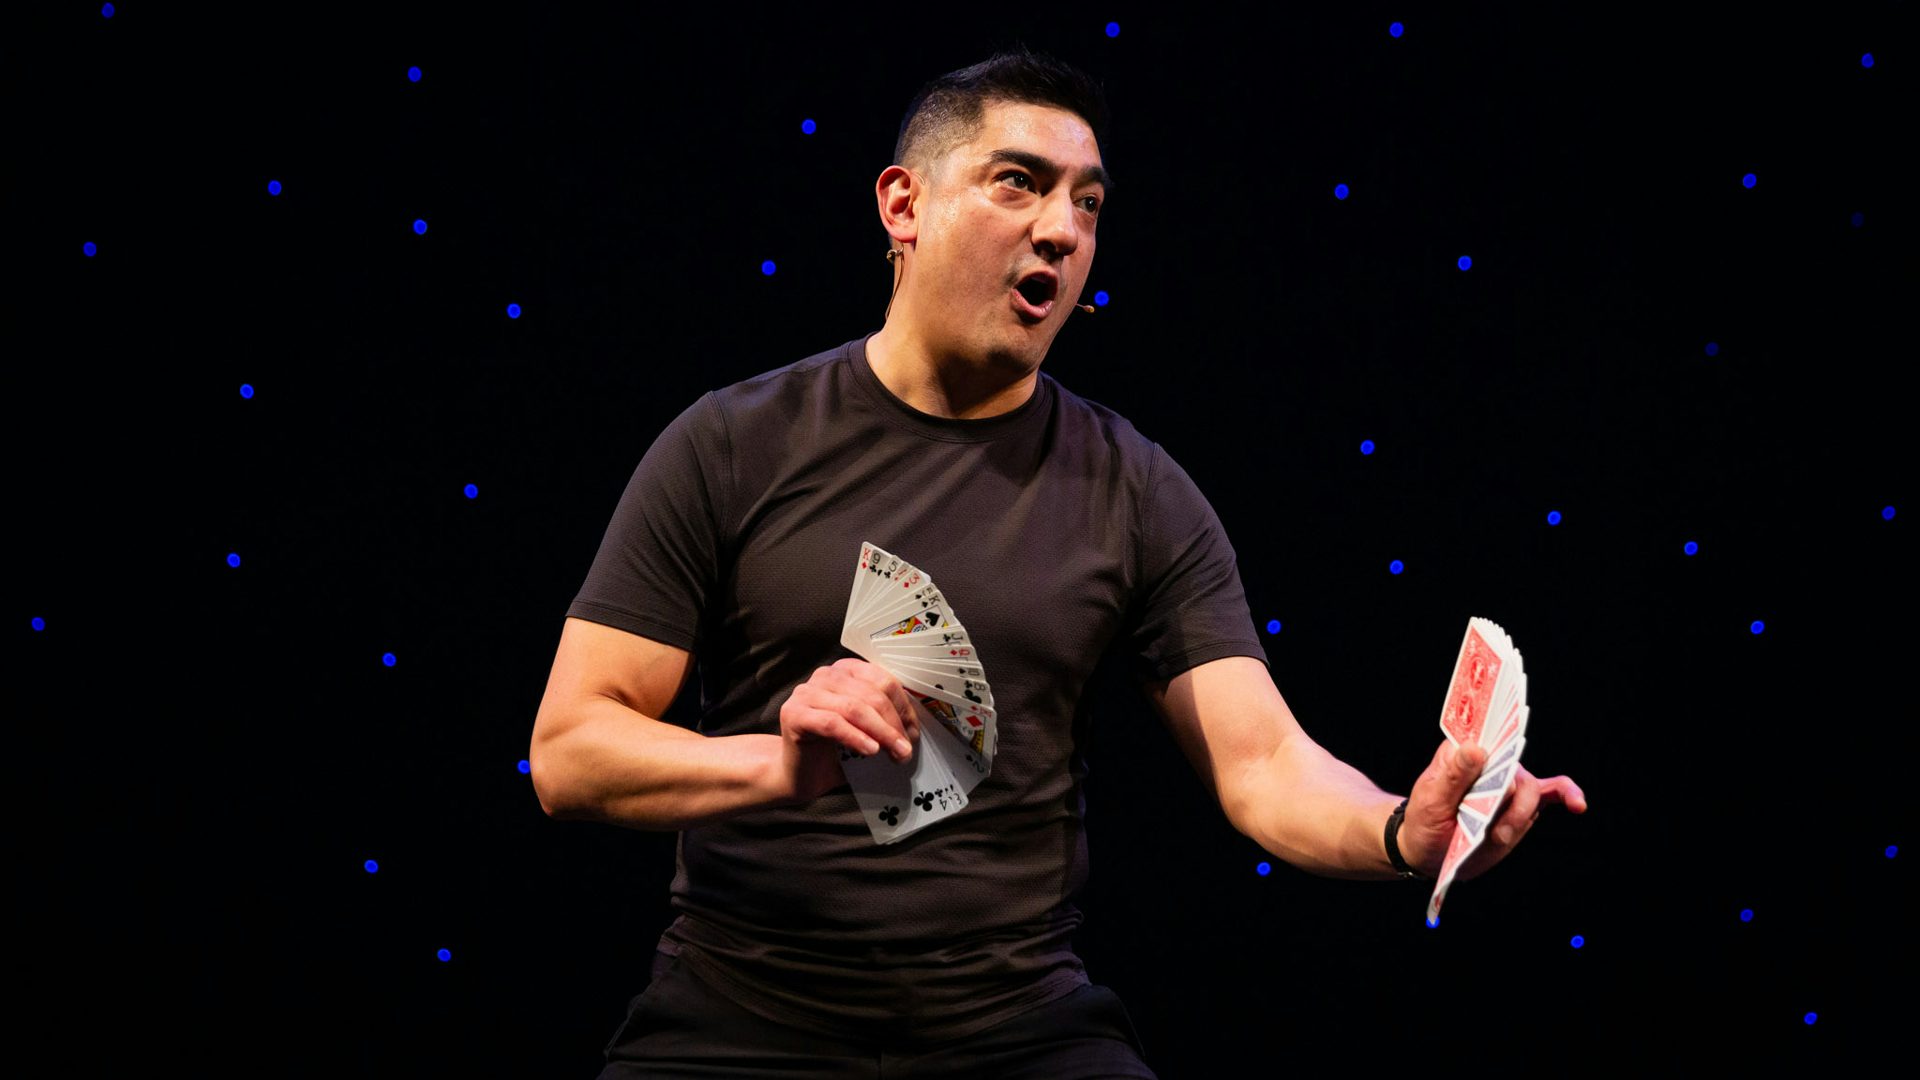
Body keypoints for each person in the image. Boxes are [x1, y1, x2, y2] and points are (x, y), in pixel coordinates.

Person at [531, 44, 1586, 1079]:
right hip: (739, 1016)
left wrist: (1404, 829)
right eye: (1018, 184)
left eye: (1087, 203)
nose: (1059, 229)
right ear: (903, 207)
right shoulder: (733, 443)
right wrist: (779, 763)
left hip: (1016, 1025)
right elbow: (573, 752)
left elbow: (1262, 764)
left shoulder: (1134, 489)